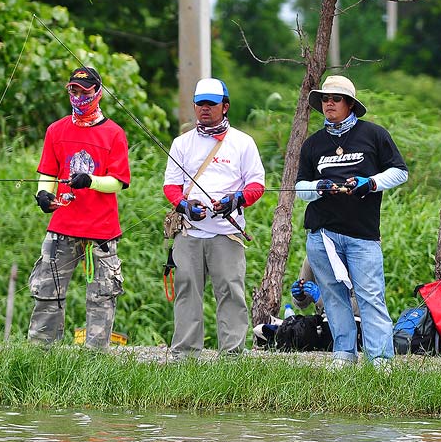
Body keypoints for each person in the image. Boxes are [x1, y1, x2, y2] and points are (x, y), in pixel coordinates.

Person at [294, 75, 408, 371]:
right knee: (333, 297)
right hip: (322, 235)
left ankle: (381, 361)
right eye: (325, 99)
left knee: (370, 295)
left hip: (363, 234)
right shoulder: (312, 145)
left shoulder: (374, 135)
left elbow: (400, 172)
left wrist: (369, 183)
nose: (329, 103)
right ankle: (343, 356)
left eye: (336, 98)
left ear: (350, 104)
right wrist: (319, 187)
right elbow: (299, 188)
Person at [28, 66, 131, 350]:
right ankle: (41, 353)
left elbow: (118, 182)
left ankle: (95, 357)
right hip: (62, 226)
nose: (78, 96)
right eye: (73, 90)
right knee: (47, 291)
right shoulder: (56, 130)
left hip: (101, 230)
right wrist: (43, 195)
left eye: (85, 92)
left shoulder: (114, 133)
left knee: (102, 295)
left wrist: (91, 181)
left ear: (97, 93)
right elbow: (48, 172)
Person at [162, 78, 266, 359]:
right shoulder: (181, 143)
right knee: (187, 292)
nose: (205, 109)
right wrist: (183, 205)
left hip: (227, 235)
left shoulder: (243, 142)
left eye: (211, 103)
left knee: (231, 292)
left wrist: (235, 201)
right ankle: (185, 355)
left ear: (225, 106)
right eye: (200, 104)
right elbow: (171, 185)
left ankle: (232, 356)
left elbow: (257, 184)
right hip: (189, 233)